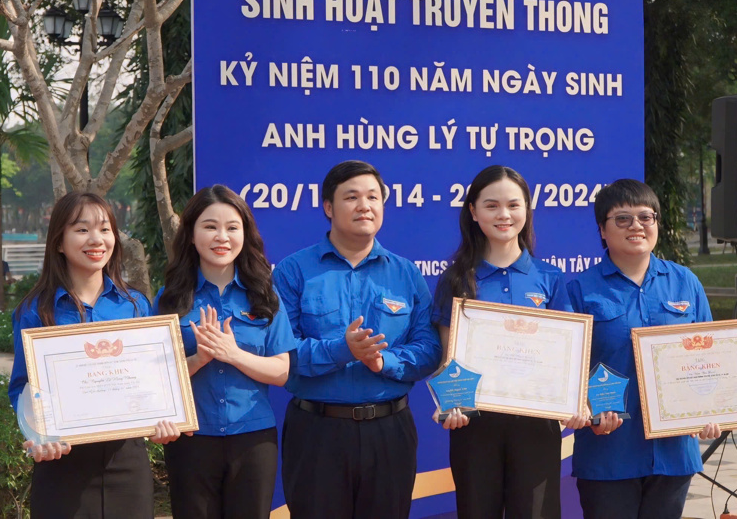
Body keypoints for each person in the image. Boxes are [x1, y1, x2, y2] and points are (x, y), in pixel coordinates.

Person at [273, 160, 442, 518]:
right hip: (317, 433)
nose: (364, 205)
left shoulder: (405, 273)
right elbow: (281, 354)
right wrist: (342, 350)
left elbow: (429, 349)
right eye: (351, 197)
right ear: (328, 208)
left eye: (373, 197)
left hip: (388, 432)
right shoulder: (293, 270)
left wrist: (384, 361)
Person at [8, 192, 183, 519]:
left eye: (105, 229)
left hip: (127, 463)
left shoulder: (135, 306)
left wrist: (166, 417)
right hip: (62, 464)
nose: (96, 239)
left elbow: (152, 381)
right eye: (82, 229)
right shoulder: (36, 310)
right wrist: (37, 433)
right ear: (58, 242)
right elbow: (21, 387)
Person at [431, 165, 589, 518]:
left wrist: (576, 401)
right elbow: (447, 359)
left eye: (513, 205)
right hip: (474, 425)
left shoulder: (550, 278)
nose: (504, 215)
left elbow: (566, 358)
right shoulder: (456, 280)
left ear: (527, 210)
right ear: (473, 212)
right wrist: (450, 401)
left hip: (536, 424)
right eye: (491, 205)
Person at [567, 179, 721, 519]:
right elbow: (565, 372)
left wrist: (711, 409)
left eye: (646, 217)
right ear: (602, 231)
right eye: (622, 219)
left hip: (673, 453)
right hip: (608, 453)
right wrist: (589, 409)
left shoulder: (685, 282)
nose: (636, 225)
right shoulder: (580, 290)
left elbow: (710, 357)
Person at [155, 185, 296, 519]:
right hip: (191, 439)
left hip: (253, 439)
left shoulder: (264, 294)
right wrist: (199, 358)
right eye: (210, 226)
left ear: (245, 234)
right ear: (190, 234)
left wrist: (232, 353)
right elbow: (157, 378)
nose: (222, 237)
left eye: (233, 227)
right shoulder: (170, 297)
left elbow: (282, 371)